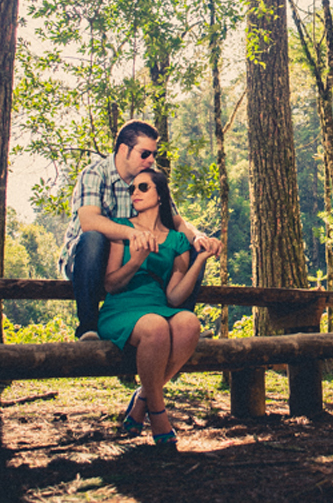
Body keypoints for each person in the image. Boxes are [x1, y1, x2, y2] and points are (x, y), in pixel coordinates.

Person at [58, 119, 220, 340]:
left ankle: (180, 323)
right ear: (124, 150)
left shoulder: (149, 179)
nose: (151, 160)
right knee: (94, 237)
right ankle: (88, 327)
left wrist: (199, 237)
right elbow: (89, 222)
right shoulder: (95, 174)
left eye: (153, 154)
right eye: (145, 154)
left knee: (192, 246)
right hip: (89, 261)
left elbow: (176, 222)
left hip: (134, 262)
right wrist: (132, 233)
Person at [98, 168, 218, 446]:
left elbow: (175, 298)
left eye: (142, 188)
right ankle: (159, 415)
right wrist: (135, 261)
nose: (134, 193)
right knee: (156, 327)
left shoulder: (177, 241)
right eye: (132, 189)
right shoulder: (121, 229)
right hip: (122, 308)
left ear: (160, 195)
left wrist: (200, 261)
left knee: (189, 323)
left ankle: (142, 399)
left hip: (157, 305)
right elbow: (110, 285)